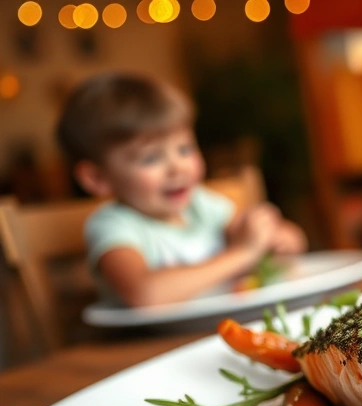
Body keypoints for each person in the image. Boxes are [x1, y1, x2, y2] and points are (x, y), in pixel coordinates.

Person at [56, 72, 307, 307]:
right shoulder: (112, 225)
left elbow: (260, 238)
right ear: (97, 177)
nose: (178, 168)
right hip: (149, 347)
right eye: (150, 158)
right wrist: (242, 253)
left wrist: (279, 238)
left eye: (185, 149)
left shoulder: (201, 204)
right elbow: (145, 294)